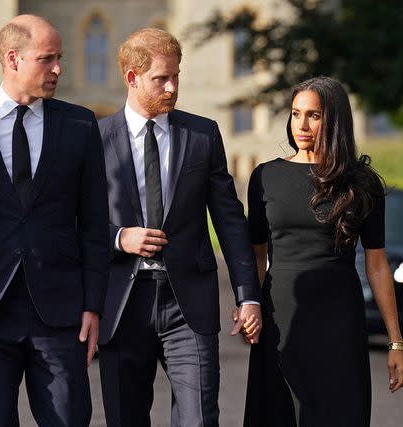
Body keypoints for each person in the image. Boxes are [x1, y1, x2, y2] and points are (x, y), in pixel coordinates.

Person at [0, 15, 108, 427]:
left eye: (59, 58)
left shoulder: (81, 124)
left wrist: (93, 305)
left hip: (61, 315)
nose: (58, 69)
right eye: (47, 59)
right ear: (13, 59)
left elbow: (95, 224)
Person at [97, 28, 262, 427]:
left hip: (188, 305)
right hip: (122, 303)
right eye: (160, 79)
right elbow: (72, 222)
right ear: (132, 78)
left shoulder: (202, 134)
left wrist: (247, 295)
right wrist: (120, 237)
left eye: (176, 76)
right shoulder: (95, 138)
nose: (172, 88)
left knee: (200, 419)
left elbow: (229, 219)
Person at [243, 76, 403, 427]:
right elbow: (256, 255)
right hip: (280, 320)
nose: (301, 125)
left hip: (339, 323)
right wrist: (249, 305)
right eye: (295, 113)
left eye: (314, 116)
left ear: (334, 120)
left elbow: (377, 265)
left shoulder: (362, 183)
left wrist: (395, 342)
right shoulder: (265, 177)